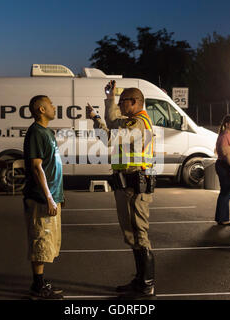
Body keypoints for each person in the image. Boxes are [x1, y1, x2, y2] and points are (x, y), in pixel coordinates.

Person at [87, 81, 156, 299]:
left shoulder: (138, 122)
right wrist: (96, 119)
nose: (119, 104)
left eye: (122, 101)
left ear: (134, 102)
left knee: (140, 234)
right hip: (127, 185)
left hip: (136, 186)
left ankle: (147, 284)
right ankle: (139, 280)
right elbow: (110, 137)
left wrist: (108, 102)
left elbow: (114, 128)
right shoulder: (129, 124)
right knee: (132, 235)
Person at [23, 95, 64, 299]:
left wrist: (58, 195)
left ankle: (40, 282)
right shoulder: (36, 133)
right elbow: (37, 166)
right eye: (50, 104)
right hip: (40, 198)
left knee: (48, 242)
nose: (54, 107)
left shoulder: (47, 132)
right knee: (40, 240)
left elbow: (51, 165)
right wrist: (48, 197)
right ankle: (37, 287)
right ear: (41, 109)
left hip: (51, 196)